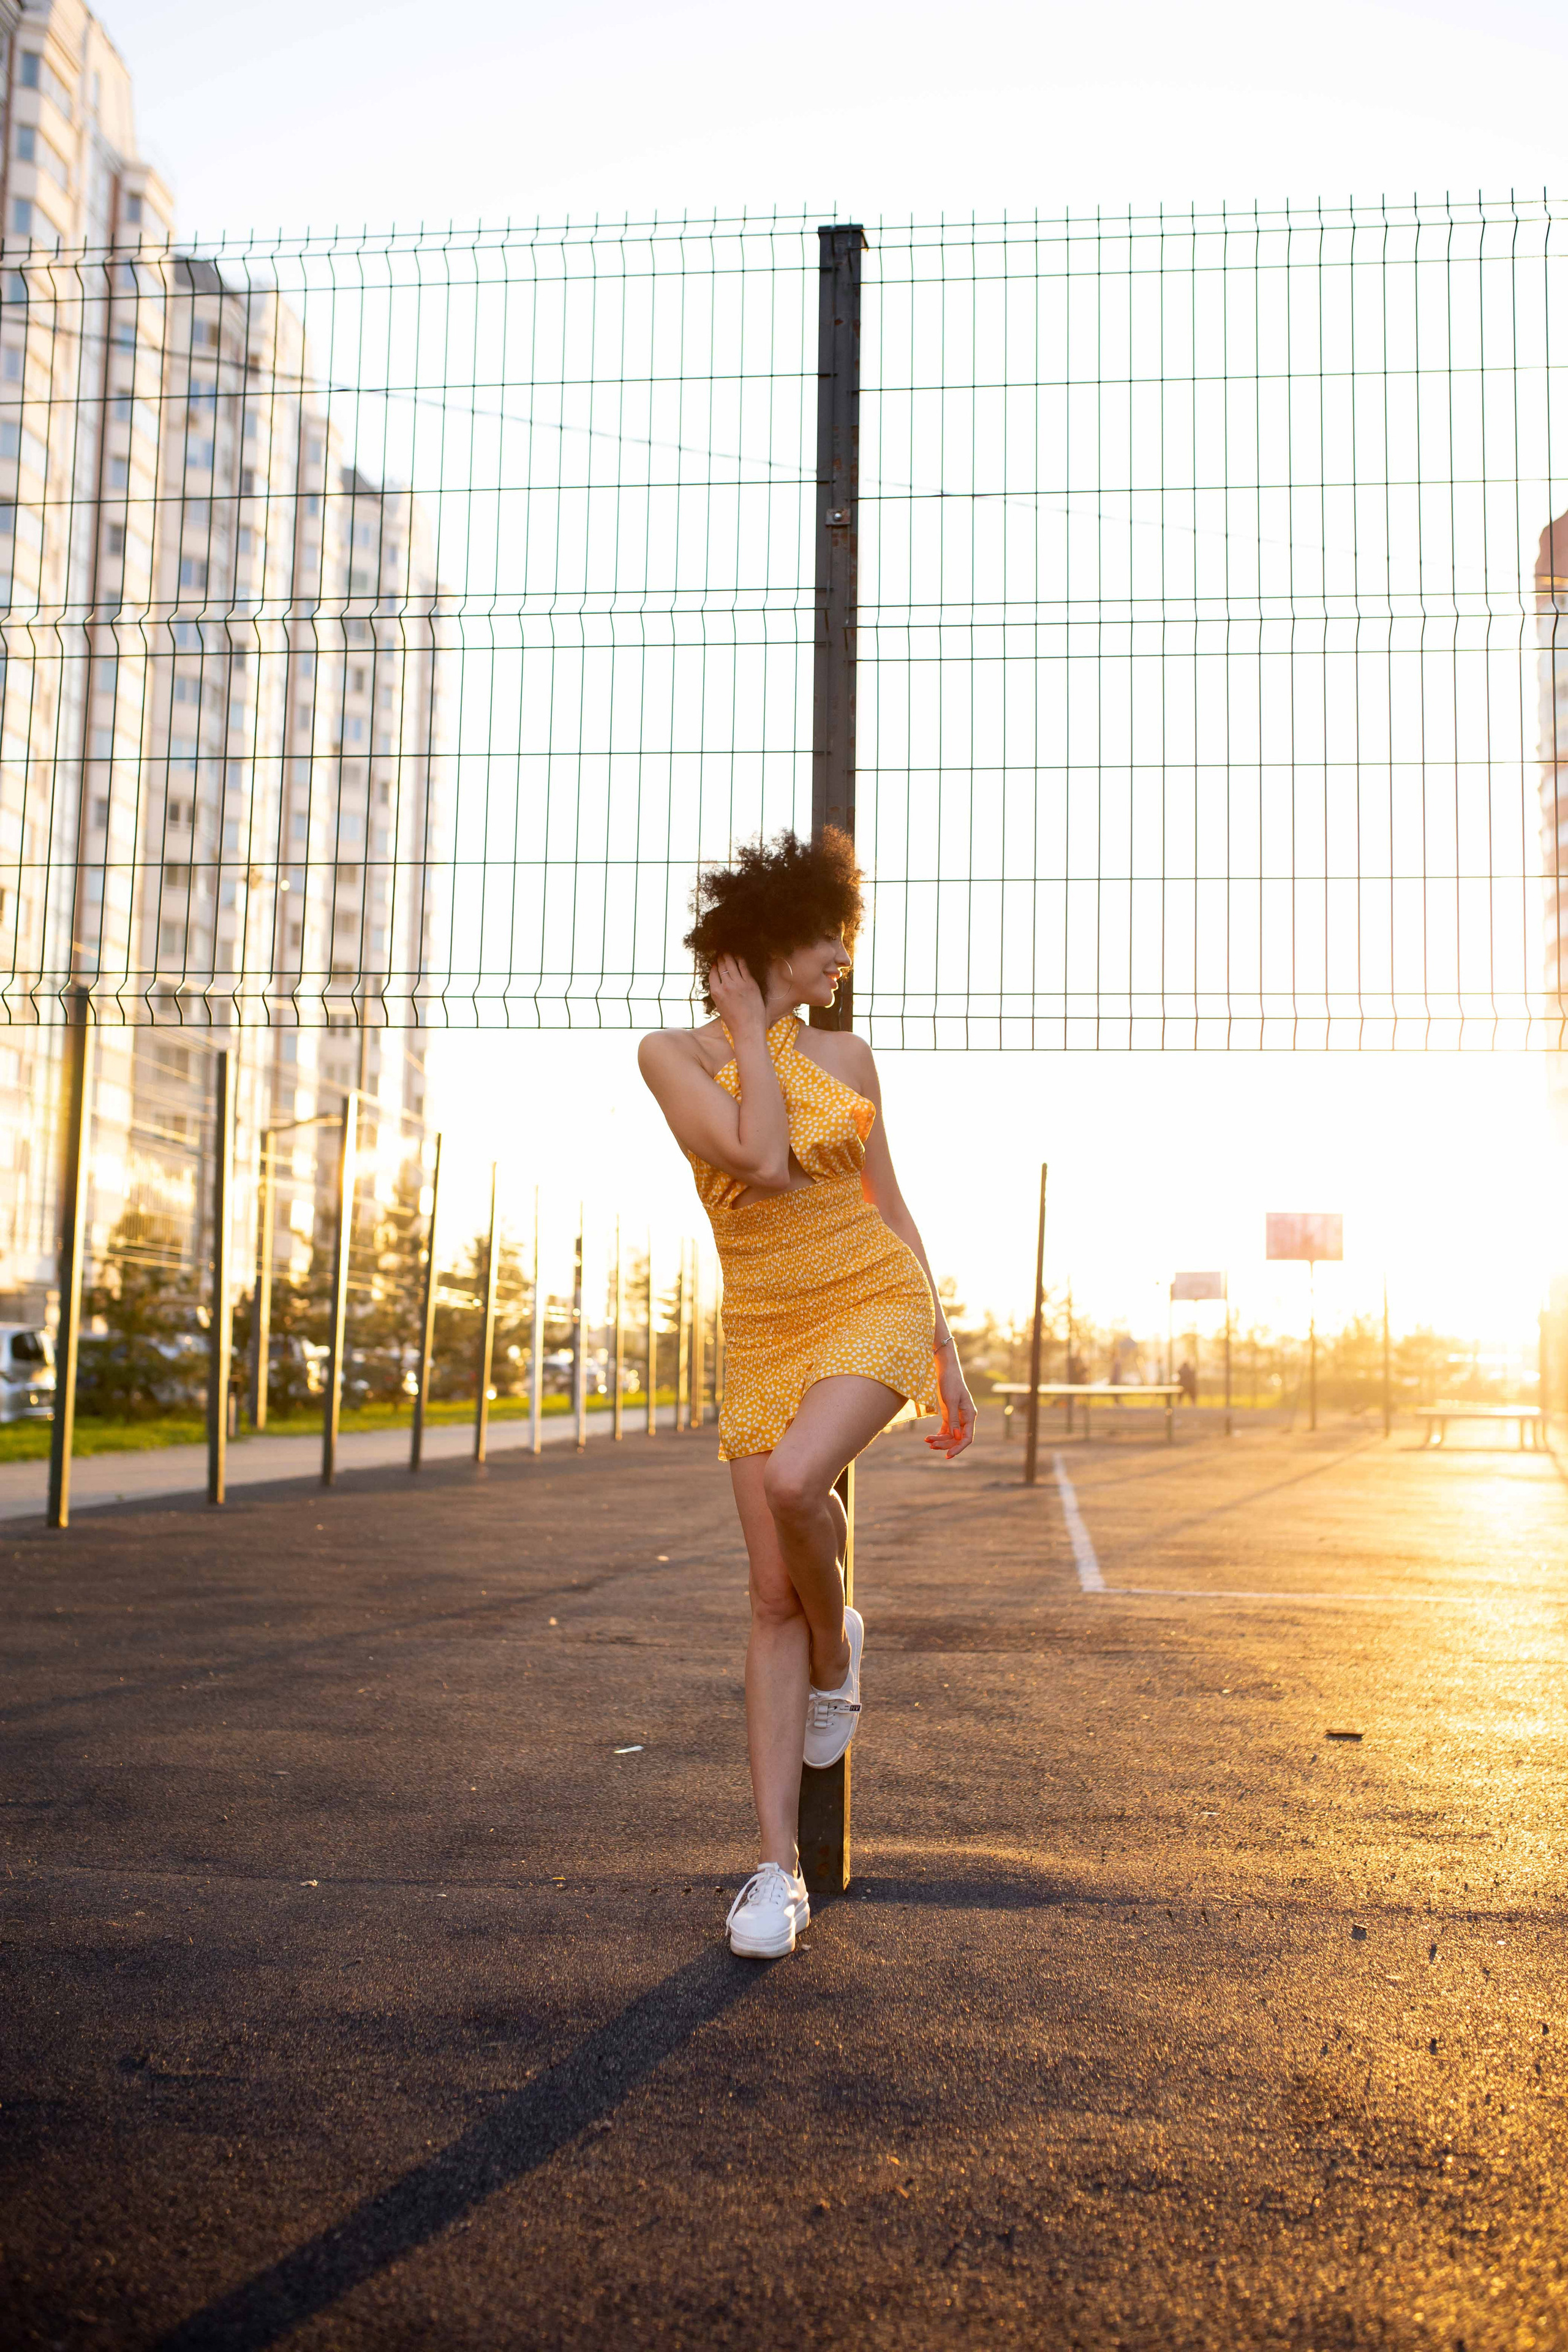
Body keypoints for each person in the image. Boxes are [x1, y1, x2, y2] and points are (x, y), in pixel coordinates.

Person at [639, 828, 975, 1960]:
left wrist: (947, 1347)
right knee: (771, 1595)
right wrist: (744, 1033)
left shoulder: (855, 1057)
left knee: (796, 1479)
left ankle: (843, 1658)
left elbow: (890, 1206)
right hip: (765, 1322)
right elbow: (761, 1161)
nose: (843, 954)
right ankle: (776, 1869)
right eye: (830, 934)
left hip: (870, 1292)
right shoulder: (670, 1056)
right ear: (773, 932)